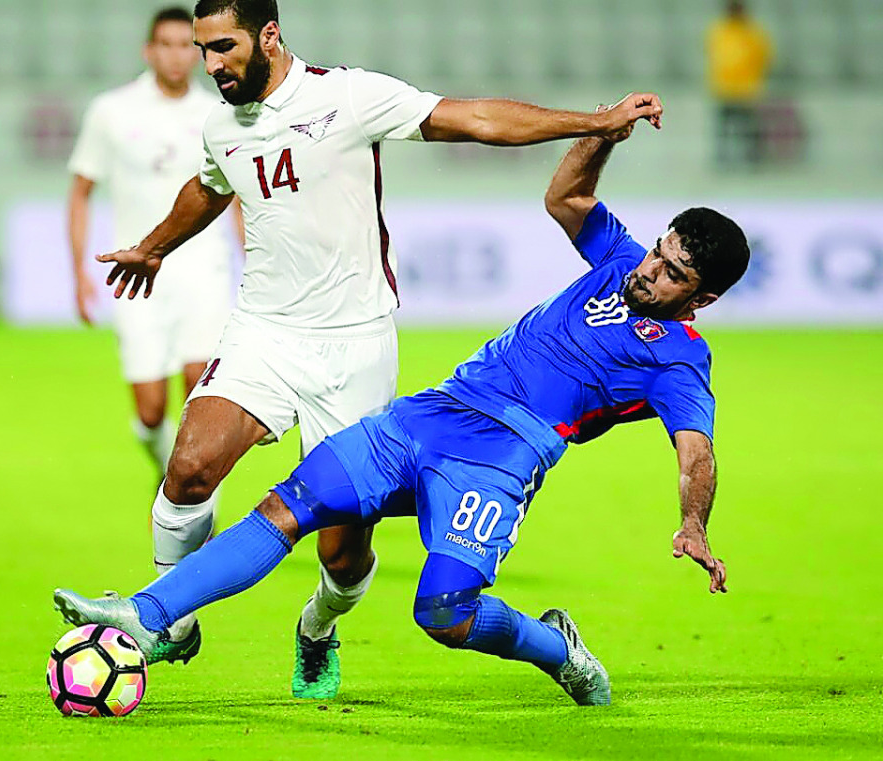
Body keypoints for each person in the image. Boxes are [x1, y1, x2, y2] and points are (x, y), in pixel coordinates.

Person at [58, 0, 664, 700]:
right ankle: (172, 615)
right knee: (189, 467)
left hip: (354, 345)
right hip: (265, 329)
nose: (211, 64)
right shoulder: (223, 124)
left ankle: (318, 626)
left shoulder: (346, 96)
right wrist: (154, 248)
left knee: (343, 553)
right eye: (203, 50)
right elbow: (209, 187)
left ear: (269, 36)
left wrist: (592, 121)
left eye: (223, 47)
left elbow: (474, 119)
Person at [67, 7, 240, 477]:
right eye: (166, 44)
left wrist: (253, 261)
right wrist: (79, 272)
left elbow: (238, 195)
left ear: (200, 52)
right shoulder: (111, 110)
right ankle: (170, 478)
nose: (177, 55)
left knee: (199, 392)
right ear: (149, 50)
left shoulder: (220, 111)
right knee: (149, 412)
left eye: (188, 45)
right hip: (137, 274)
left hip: (204, 267)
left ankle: (194, 504)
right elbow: (80, 193)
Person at [706, 0, 772, 168]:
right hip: (724, 89)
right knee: (723, 130)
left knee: (750, 129)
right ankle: (723, 161)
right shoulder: (719, 30)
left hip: (747, 90)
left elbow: (764, 57)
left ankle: (754, 160)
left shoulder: (753, 32)